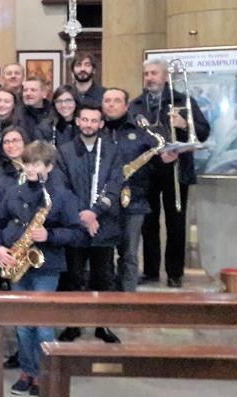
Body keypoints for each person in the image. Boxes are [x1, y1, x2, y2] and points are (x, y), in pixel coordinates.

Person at [0, 141, 82, 396]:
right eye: (28, 163)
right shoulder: (13, 192)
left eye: (37, 164)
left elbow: (77, 234)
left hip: (46, 266)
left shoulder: (61, 196)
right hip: (17, 263)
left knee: (42, 325)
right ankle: (27, 371)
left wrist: (49, 235)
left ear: (49, 167)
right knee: (22, 325)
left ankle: (44, 374)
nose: (30, 169)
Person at [129, 58, 210, 288]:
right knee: (149, 223)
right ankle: (152, 270)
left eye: (154, 73)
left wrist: (184, 125)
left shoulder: (183, 100)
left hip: (176, 169)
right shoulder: (136, 105)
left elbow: (203, 132)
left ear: (165, 76)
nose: (150, 78)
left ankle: (175, 272)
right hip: (147, 171)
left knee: (176, 222)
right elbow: (132, 138)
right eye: (146, 74)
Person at [55, 104, 123, 344]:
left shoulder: (113, 150)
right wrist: (81, 216)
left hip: (104, 225)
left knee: (103, 278)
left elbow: (115, 185)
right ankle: (72, 325)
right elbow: (62, 189)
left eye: (94, 121)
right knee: (73, 277)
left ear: (101, 124)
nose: (89, 125)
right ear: (77, 121)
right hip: (75, 227)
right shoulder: (63, 152)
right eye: (84, 120)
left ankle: (102, 325)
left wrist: (95, 212)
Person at [103, 88, 159, 292]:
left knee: (130, 255)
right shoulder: (97, 129)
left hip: (134, 201)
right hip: (104, 202)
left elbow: (155, 162)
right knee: (104, 254)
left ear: (126, 105)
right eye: (107, 100)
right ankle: (107, 298)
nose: (111, 104)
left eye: (116, 101)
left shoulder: (142, 131)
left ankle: (128, 298)